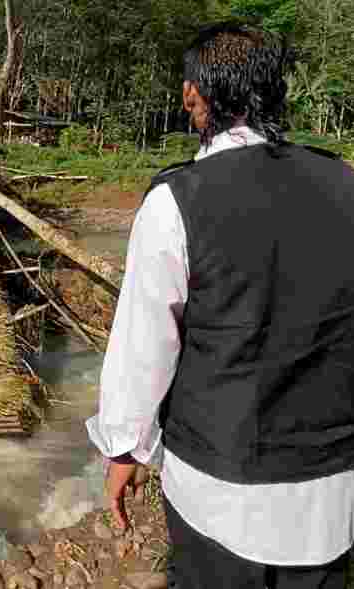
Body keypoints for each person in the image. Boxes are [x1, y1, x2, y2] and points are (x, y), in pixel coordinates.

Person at [85, 22, 354, 589]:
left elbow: (145, 345)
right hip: (333, 490)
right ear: (277, 93)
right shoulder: (345, 185)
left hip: (220, 492)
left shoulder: (177, 201)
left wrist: (124, 449)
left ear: (192, 95)